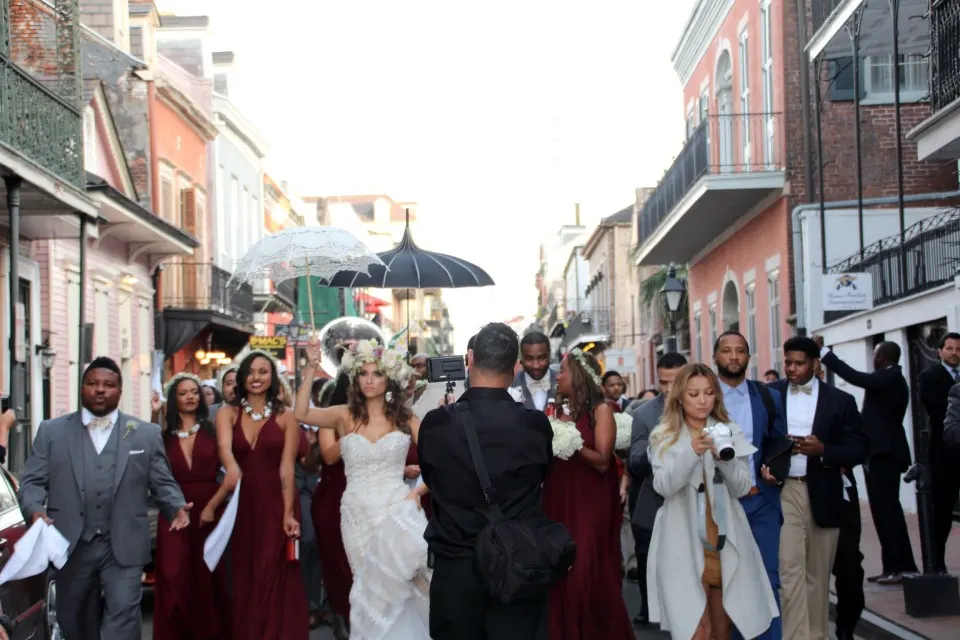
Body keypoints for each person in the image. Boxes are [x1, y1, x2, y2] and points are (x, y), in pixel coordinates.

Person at [19, 357, 190, 639]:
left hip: (123, 542)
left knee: (123, 615)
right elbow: (32, 482)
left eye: (108, 385)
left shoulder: (144, 434)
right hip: (70, 543)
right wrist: (35, 509)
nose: (100, 390)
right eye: (93, 384)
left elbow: (162, 480)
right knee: (71, 618)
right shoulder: (52, 432)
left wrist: (176, 506)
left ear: (119, 392)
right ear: (82, 388)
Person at [418, 322, 554, 640]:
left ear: (469, 359)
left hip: (456, 568)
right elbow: (543, 475)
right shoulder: (535, 425)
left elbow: (431, 479)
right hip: (517, 565)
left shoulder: (437, 424)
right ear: (516, 366)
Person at [294, 337, 430, 639]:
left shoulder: (405, 418)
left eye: (377, 373)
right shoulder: (342, 414)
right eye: (363, 373)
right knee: (368, 591)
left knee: (405, 588)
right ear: (355, 379)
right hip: (356, 514)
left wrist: (415, 494)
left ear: (389, 379)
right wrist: (311, 368)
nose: (369, 380)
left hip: (398, 511)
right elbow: (301, 413)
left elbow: (441, 464)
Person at [647, 363, 778, 639]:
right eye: (694, 394)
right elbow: (664, 486)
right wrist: (690, 453)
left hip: (722, 537)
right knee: (694, 628)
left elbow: (743, 487)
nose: (703, 400)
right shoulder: (664, 435)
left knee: (722, 628)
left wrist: (725, 459)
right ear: (680, 397)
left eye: (708, 392)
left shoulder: (729, 431)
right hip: (681, 538)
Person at [768, 337, 867, 640]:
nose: (792, 369)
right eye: (788, 363)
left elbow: (860, 447)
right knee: (790, 570)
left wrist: (824, 450)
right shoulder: (770, 395)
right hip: (785, 491)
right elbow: (759, 439)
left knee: (818, 575)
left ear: (814, 364)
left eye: (799, 363)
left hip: (825, 492)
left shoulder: (840, 401)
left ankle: (817, 635)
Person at [216, 350, 309, 640]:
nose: (256, 378)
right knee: (245, 573)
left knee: (271, 570)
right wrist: (232, 467)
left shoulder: (287, 416)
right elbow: (224, 448)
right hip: (243, 503)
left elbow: (287, 468)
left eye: (263, 371)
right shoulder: (227, 413)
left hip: (275, 501)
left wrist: (288, 513)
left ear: (272, 378)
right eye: (250, 372)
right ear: (242, 378)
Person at [542, 349, 634, 639]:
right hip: (558, 497)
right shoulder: (556, 412)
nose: (558, 376)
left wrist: (573, 440)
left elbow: (604, 460)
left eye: (563, 371)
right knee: (561, 570)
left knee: (584, 569)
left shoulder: (602, 411)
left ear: (578, 376)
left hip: (590, 502)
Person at [815, 335, 917, 583]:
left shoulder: (889, 377)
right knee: (883, 512)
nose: (873, 359)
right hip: (880, 453)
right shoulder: (890, 379)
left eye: (875, 355)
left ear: (881, 357)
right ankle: (893, 566)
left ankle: (900, 567)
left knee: (887, 511)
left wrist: (825, 353)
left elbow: (854, 377)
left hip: (885, 454)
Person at [713, 331, 786, 640]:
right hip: (718, 505)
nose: (733, 357)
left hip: (760, 504)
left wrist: (775, 470)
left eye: (740, 350)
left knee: (767, 578)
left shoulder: (768, 397)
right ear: (715, 357)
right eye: (727, 351)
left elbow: (778, 442)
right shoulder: (703, 397)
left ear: (748, 356)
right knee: (724, 581)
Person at [153, 373, 231, 639]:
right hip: (173, 513)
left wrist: (212, 506)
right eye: (183, 393)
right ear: (174, 399)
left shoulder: (213, 431)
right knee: (173, 573)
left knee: (209, 577)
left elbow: (233, 473)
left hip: (210, 509)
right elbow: (153, 475)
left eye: (194, 392)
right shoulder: (162, 438)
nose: (190, 397)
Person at [628, 351, 687, 626]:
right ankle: (649, 607)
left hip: (692, 497)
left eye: (674, 381)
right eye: (663, 382)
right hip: (654, 499)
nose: (668, 389)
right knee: (648, 554)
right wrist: (656, 450)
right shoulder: (643, 414)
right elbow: (635, 459)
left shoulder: (701, 405)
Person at [310, 371, 353, 640]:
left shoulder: (385, 413)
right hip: (334, 498)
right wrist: (357, 429)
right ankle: (342, 615)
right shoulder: (330, 416)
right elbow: (328, 455)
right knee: (339, 565)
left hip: (372, 497)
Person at [918, 332, 960, 574]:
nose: (954, 353)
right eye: (950, 348)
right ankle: (937, 563)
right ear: (940, 351)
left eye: (958, 349)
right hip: (944, 453)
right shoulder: (930, 376)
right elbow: (934, 406)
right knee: (942, 510)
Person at [510, 331, 558, 411]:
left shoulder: (562, 382)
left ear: (549, 355)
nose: (536, 366)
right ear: (522, 357)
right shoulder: (511, 385)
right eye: (529, 358)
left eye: (541, 357)